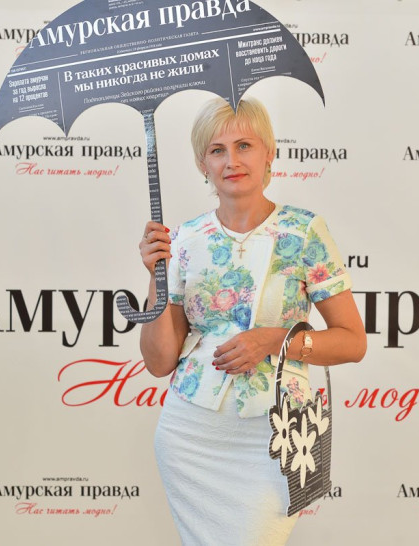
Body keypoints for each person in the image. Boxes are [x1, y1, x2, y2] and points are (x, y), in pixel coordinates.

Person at [139, 96, 366, 545]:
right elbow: (160, 361)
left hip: (276, 432)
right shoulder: (183, 239)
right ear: (202, 164)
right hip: (191, 432)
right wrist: (155, 277)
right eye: (217, 150)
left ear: (269, 153)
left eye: (244, 145)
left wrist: (275, 340)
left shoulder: (304, 231)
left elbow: (352, 342)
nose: (232, 161)